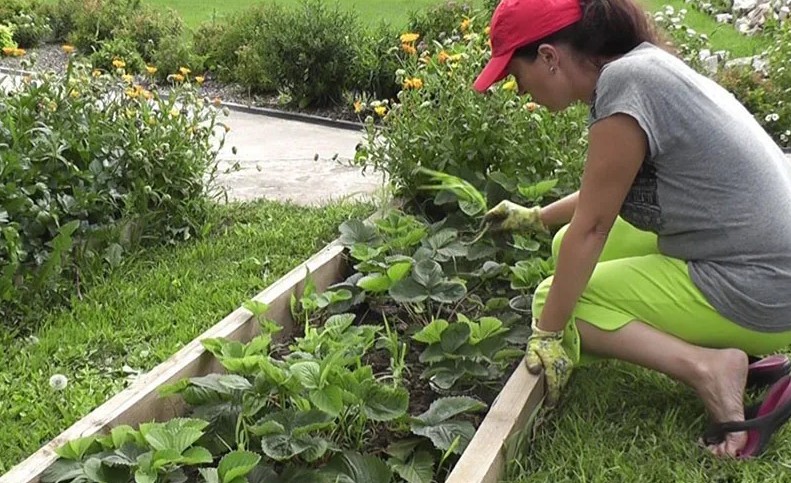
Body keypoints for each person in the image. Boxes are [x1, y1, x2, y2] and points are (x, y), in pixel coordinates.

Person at [474, 0, 791, 458]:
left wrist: (547, 333)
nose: (521, 91)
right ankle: (714, 346)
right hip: (762, 254)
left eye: (516, 76)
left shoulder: (624, 85)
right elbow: (608, 195)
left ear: (548, 56)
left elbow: (596, 226)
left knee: (556, 301)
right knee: (566, 245)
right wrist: (539, 216)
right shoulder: (638, 67)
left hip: (762, 290)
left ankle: (709, 367)